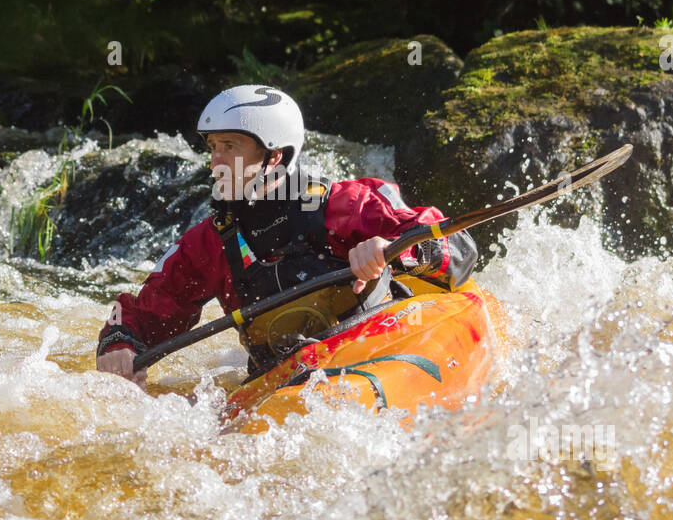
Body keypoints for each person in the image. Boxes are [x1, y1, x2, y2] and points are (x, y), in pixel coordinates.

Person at [96, 84, 479, 385]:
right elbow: (143, 314)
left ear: (274, 157)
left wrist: (393, 249)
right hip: (285, 378)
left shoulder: (345, 205)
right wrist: (120, 343)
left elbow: (457, 247)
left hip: (376, 350)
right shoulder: (210, 242)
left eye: (229, 146)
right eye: (212, 147)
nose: (214, 162)